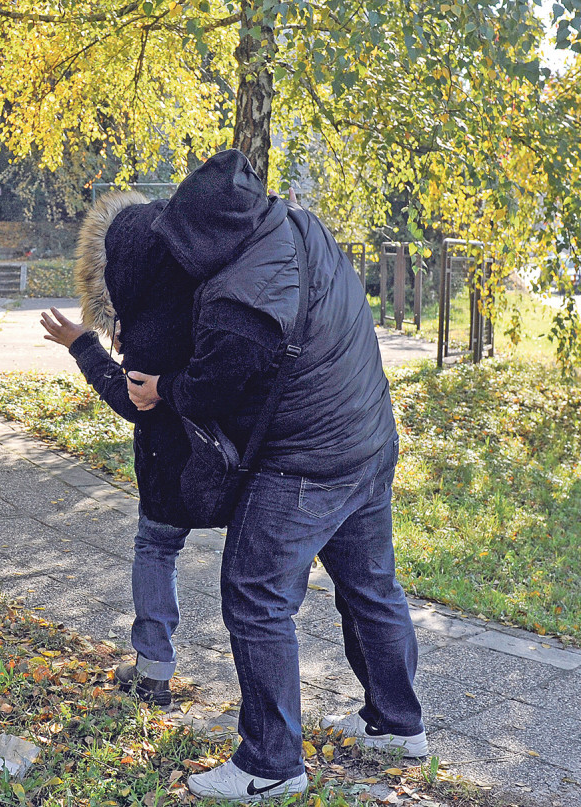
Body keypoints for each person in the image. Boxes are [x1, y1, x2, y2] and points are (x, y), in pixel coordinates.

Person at [124, 150, 426, 803]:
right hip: (369, 437)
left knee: (255, 594)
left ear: (209, 238)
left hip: (307, 462)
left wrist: (161, 387)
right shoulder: (295, 223)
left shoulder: (242, 303)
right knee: (371, 584)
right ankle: (398, 723)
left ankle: (271, 762)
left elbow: (210, 389)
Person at [40, 191, 199, 707]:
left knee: (156, 549)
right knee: (254, 580)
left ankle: (153, 673)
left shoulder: (147, 325)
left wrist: (82, 345)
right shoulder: (207, 289)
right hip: (236, 457)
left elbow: (134, 402)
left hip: (170, 466)